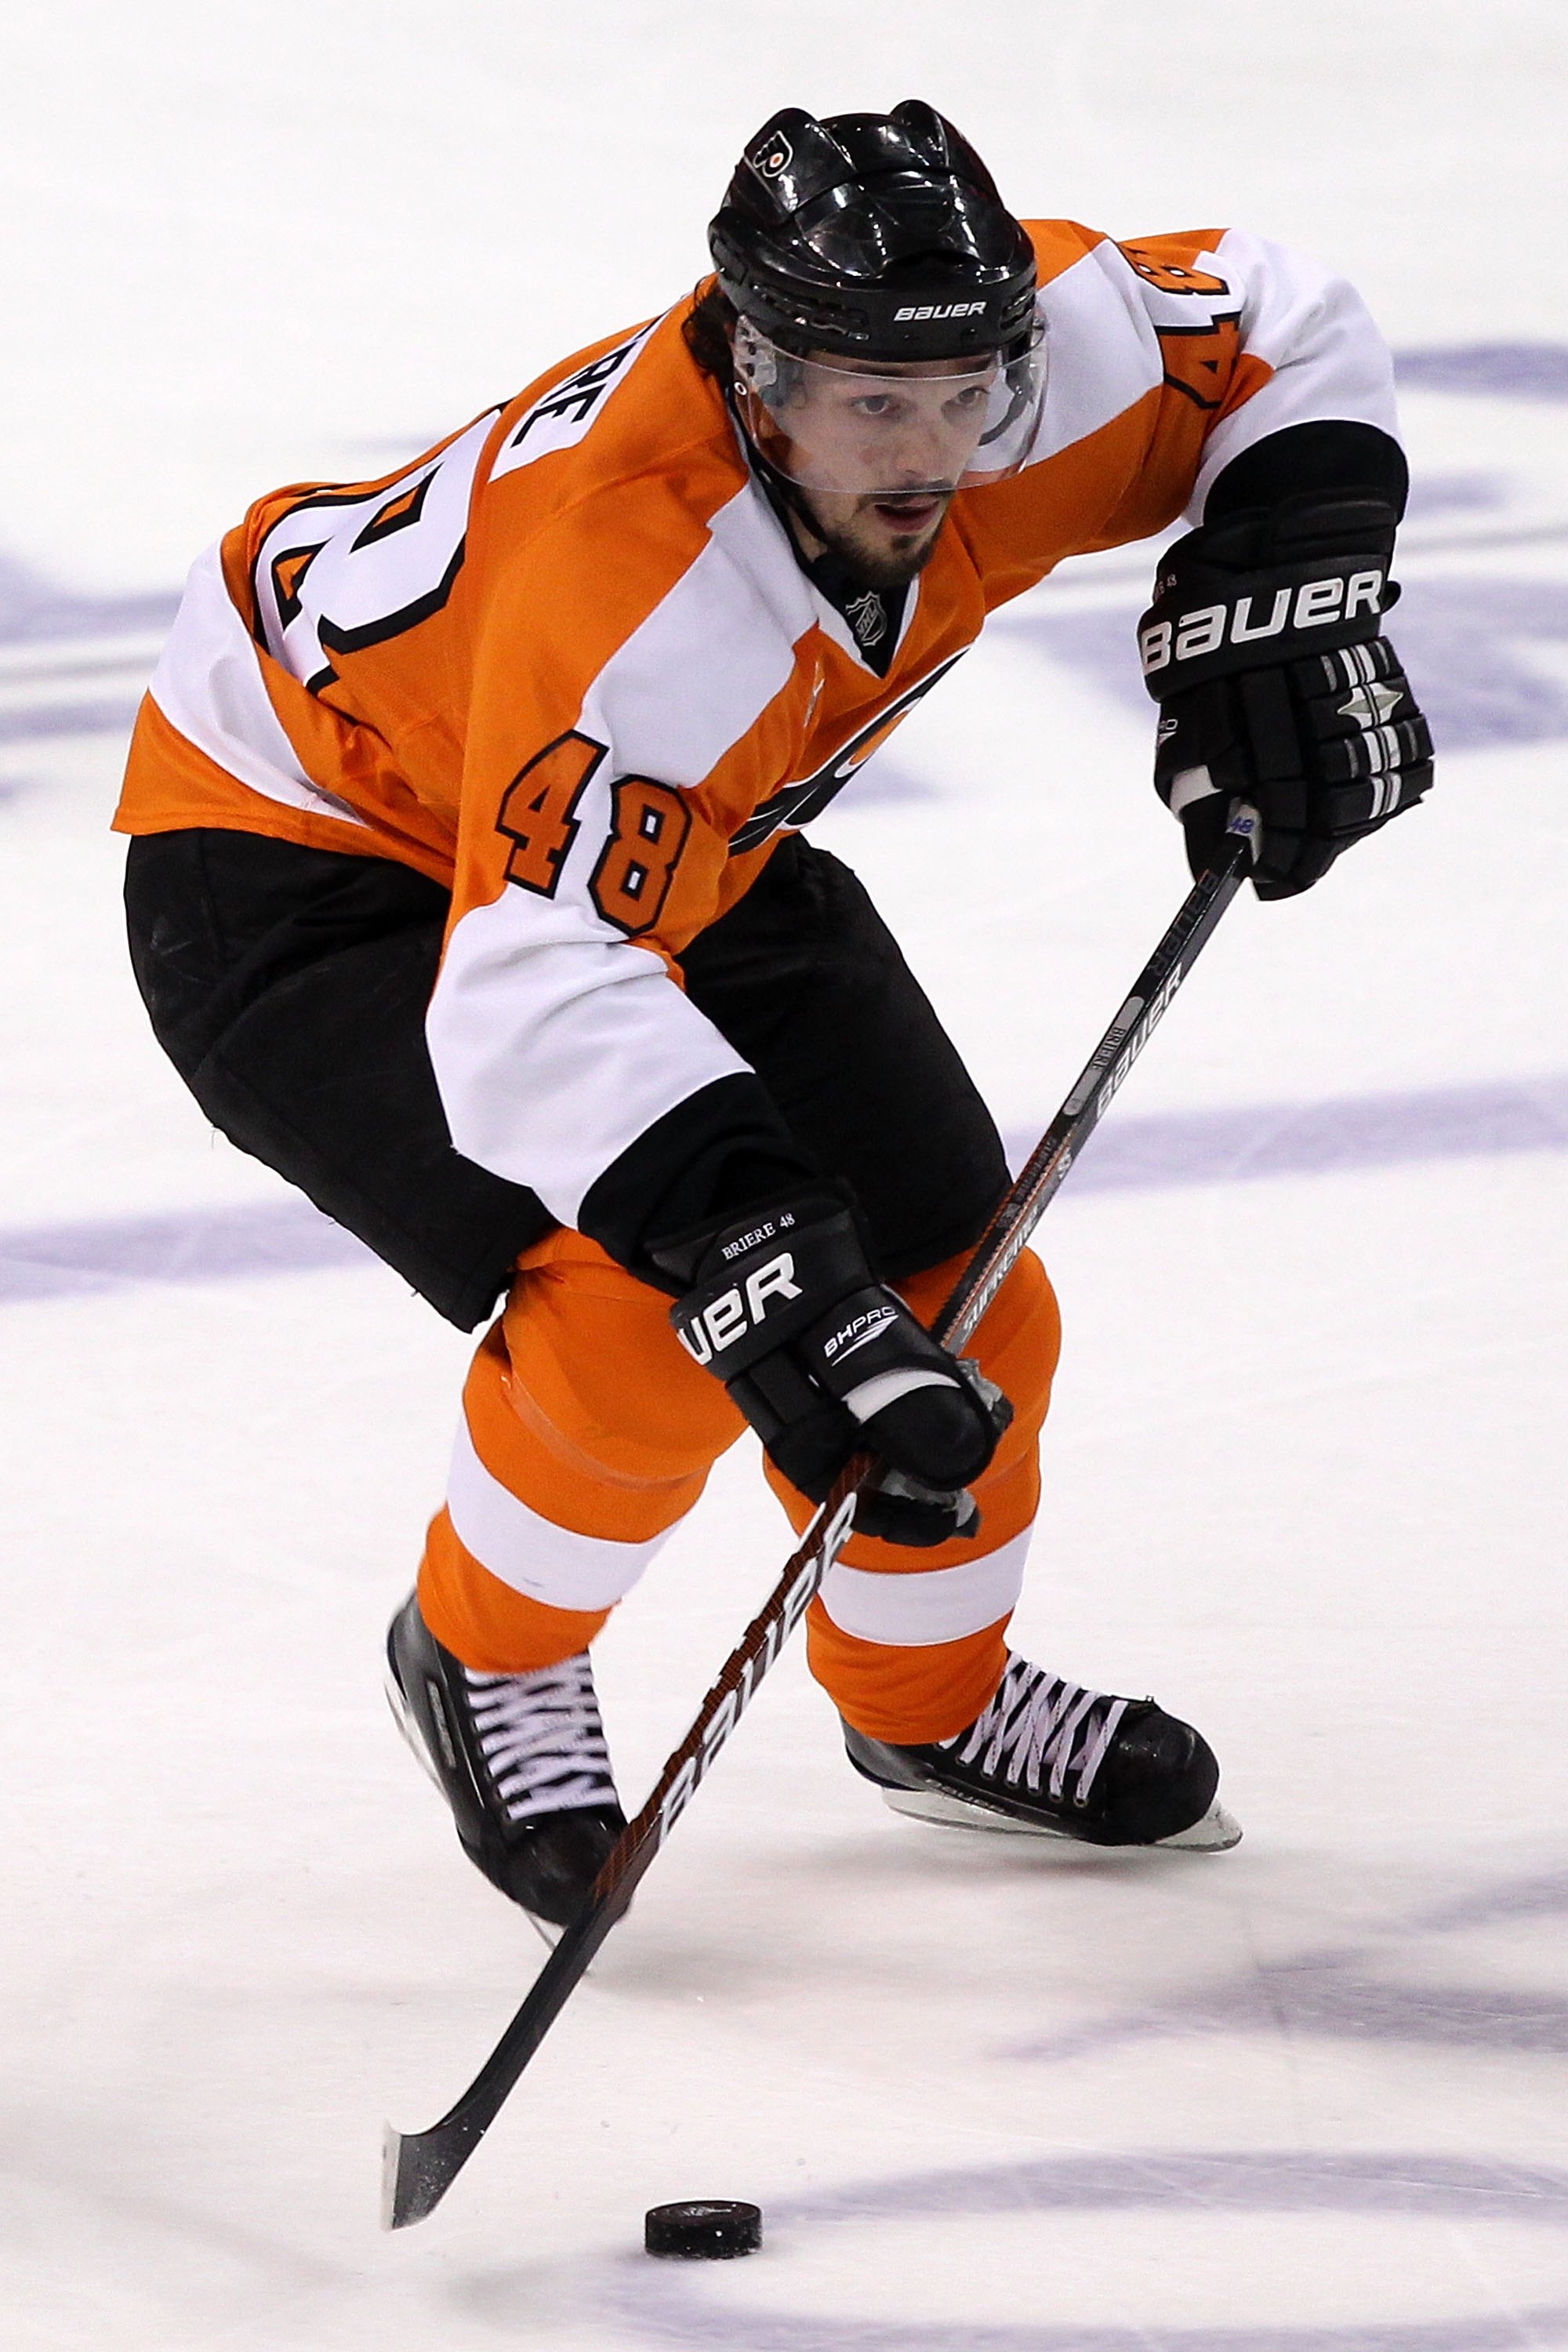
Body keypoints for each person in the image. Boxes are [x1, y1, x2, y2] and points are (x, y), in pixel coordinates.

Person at [115, 103, 1432, 1935]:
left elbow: (1274, 324)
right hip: (308, 857)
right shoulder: (642, 590)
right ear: (753, 372)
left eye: (965, 391)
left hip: (668, 836)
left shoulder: (1028, 373)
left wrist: (1277, 578)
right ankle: (480, 1654)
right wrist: (755, 1252)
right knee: (651, 1321)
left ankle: (928, 1709)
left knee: (963, 1291)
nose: (928, 455)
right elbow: (535, 991)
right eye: (868, 405)